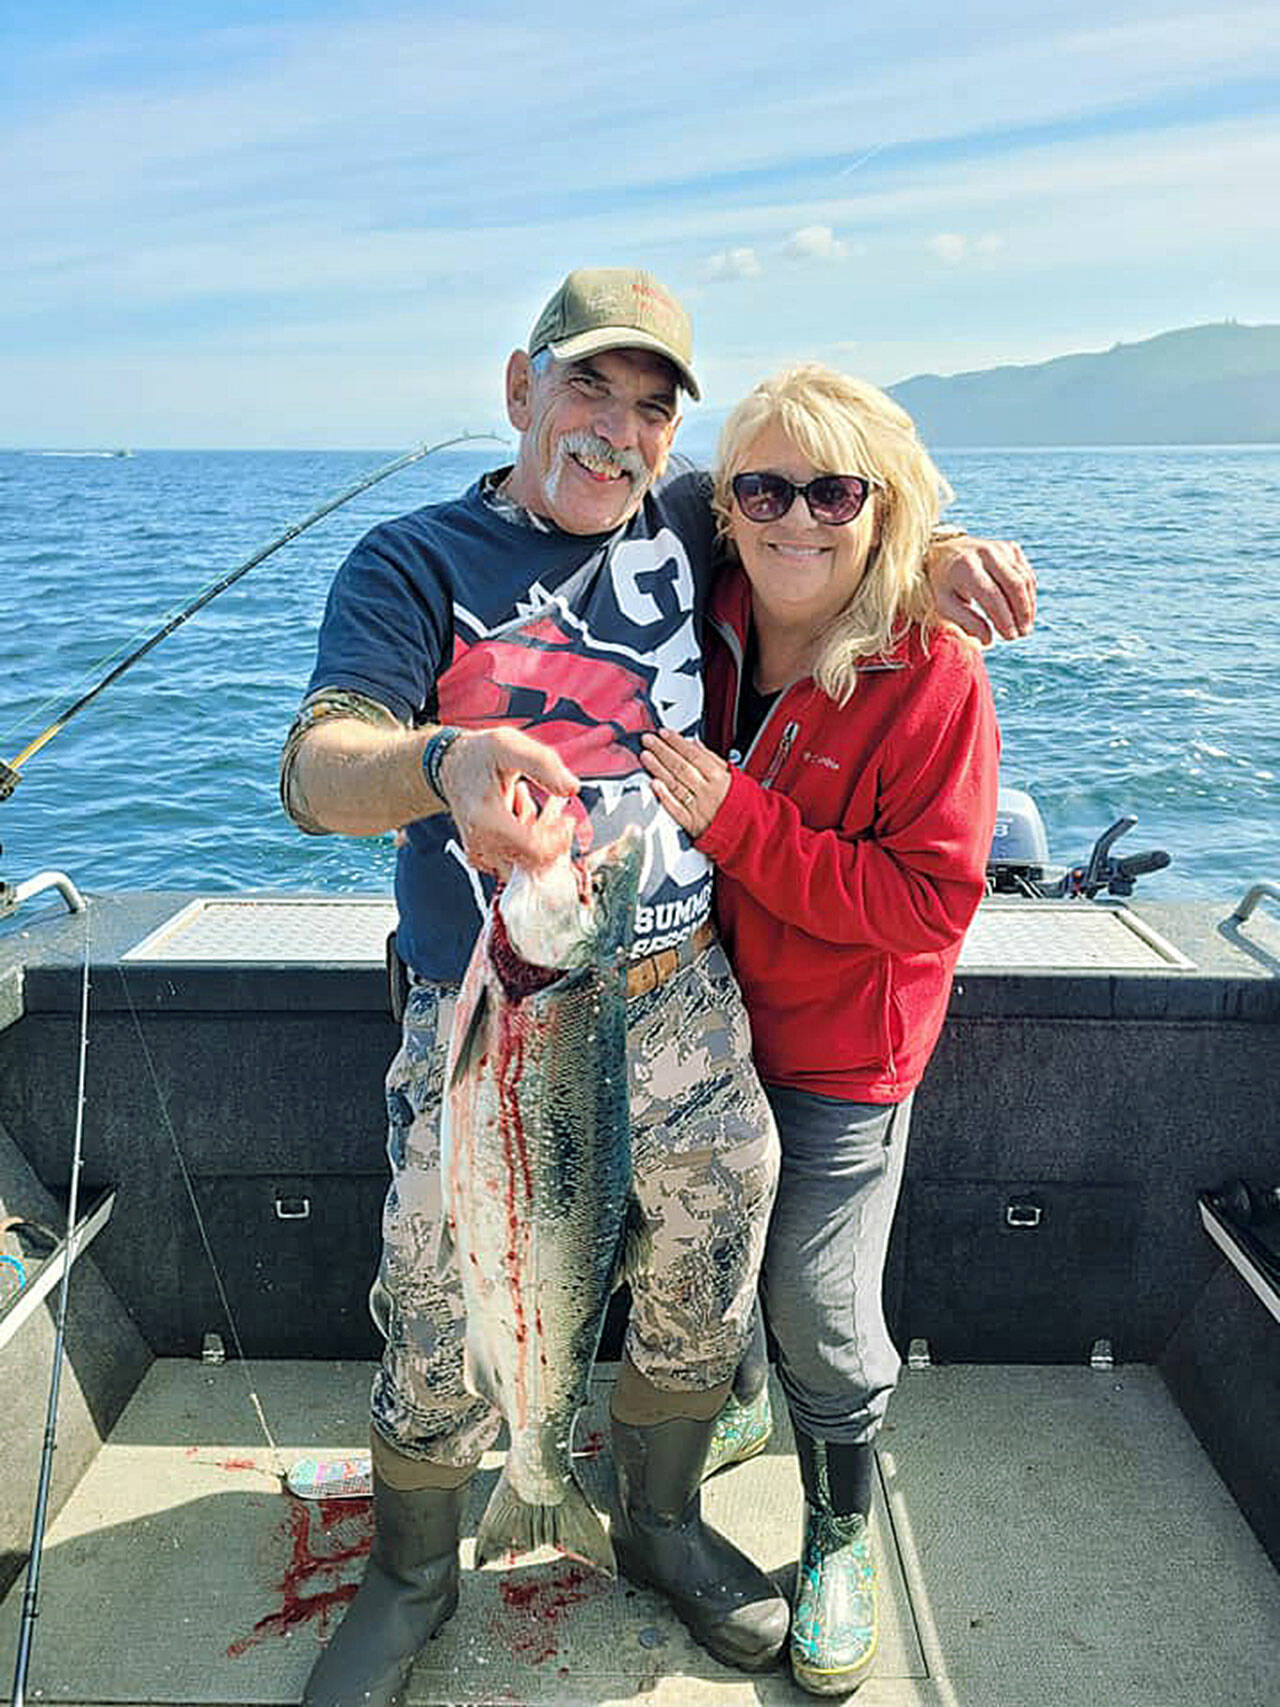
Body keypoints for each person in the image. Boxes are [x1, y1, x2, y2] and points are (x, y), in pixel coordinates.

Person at [280, 270, 1031, 1707]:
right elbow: (318, 767)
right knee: (444, 1269)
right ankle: (415, 1569)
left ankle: (662, 1518)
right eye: (588, 392)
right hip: (494, 993)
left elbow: (821, 519)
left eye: (651, 409)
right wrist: (439, 766)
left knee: (720, 1220)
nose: (617, 435)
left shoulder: (690, 523)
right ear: (519, 388)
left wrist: (929, 562)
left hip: (686, 984)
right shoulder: (407, 561)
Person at [640, 361, 1000, 1697]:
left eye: (835, 489)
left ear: (882, 503)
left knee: (813, 1296)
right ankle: (737, 1404)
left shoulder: (936, 678)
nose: (799, 516)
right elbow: (543, 505)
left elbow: (925, 905)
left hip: (842, 1053)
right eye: (765, 487)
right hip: (692, 1013)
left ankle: (840, 1525)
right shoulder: (697, 588)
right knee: (689, 1246)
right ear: (724, 505)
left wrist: (739, 823)